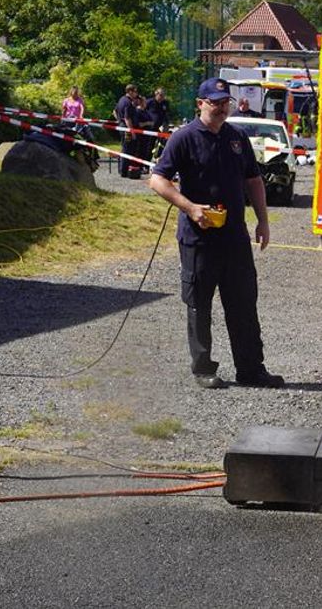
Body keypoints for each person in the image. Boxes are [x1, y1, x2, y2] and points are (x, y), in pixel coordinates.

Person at [148, 78, 284, 390]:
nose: (222, 107)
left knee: (243, 304)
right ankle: (203, 368)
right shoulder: (183, 138)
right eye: (215, 102)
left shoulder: (236, 137)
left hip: (234, 238)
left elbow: (254, 181)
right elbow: (158, 180)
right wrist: (190, 207)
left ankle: (251, 369)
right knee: (199, 304)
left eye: (225, 102)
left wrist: (263, 221)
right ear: (200, 104)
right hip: (199, 239)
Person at [114, 84, 140, 179]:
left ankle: (121, 169)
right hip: (127, 128)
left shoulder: (121, 99)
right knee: (127, 149)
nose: (136, 94)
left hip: (122, 126)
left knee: (124, 147)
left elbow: (115, 111)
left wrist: (118, 121)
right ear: (130, 91)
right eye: (135, 91)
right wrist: (132, 132)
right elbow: (127, 118)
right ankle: (124, 171)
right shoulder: (128, 102)